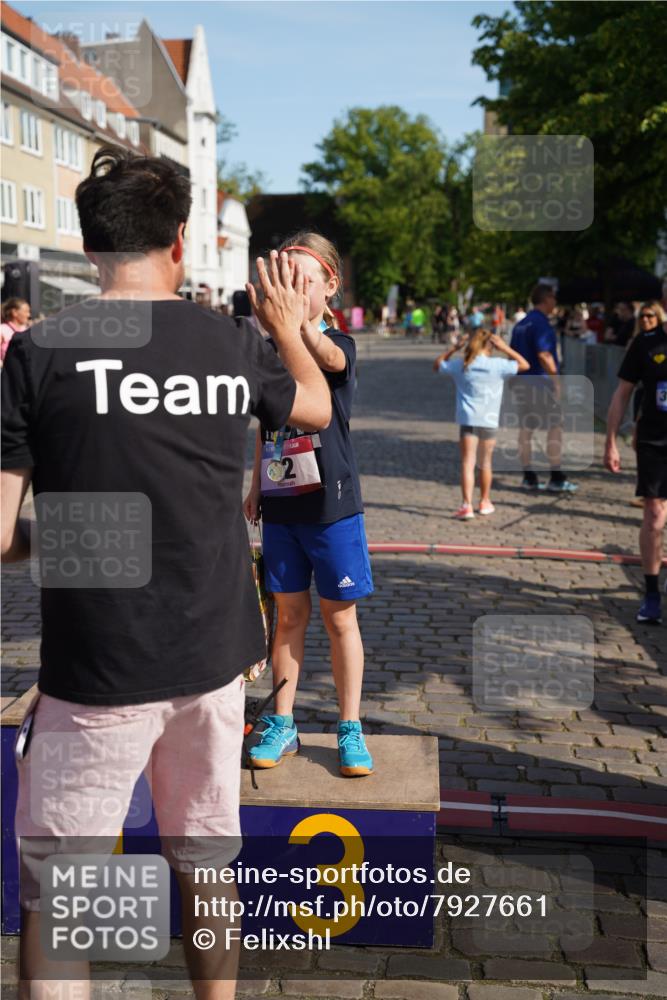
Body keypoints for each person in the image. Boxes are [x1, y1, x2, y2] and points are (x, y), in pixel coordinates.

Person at [1, 147, 331, 1000]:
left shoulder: (39, 352)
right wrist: (289, 328)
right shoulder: (227, 342)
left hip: (99, 668)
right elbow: (316, 407)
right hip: (214, 658)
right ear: (180, 242)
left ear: (87, 247)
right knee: (205, 860)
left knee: (67, 893)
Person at [243, 232, 374, 777]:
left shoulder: (337, 342)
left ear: (331, 287)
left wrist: (294, 324)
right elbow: (266, 425)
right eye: (286, 280)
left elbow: (328, 358)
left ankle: (350, 726)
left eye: (305, 281)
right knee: (288, 617)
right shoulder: (268, 350)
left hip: (331, 506)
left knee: (339, 618)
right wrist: (254, 485)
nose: (294, 291)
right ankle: (283, 720)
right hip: (281, 501)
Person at [605, 301, 667, 623]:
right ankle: (652, 593)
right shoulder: (646, 343)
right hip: (654, 440)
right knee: (655, 515)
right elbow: (622, 393)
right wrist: (611, 441)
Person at [434, 329, 529, 518]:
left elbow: (437, 365)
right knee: (486, 463)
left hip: (468, 420)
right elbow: (525, 365)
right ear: (491, 346)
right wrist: (505, 348)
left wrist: (454, 348)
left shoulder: (462, 364)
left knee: (468, 462)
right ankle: (485, 501)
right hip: (489, 420)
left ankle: (466, 505)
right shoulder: (498, 365)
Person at [509, 284, 578, 492]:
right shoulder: (541, 324)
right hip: (540, 382)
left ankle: (528, 476)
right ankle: (556, 476)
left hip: (522, 381)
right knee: (555, 426)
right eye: (554, 299)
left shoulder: (521, 324)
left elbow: (512, 355)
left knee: (526, 428)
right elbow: (545, 355)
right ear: (546, 299)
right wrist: (557, 381)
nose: (555, 303)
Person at [0, 297, 31, 365]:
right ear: (14, 312)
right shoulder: (2, 329)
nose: (29, 315)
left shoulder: (28, 331)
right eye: (26, 311)